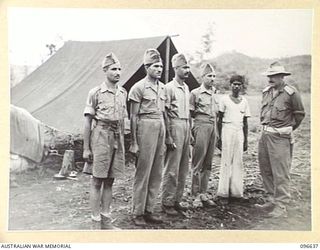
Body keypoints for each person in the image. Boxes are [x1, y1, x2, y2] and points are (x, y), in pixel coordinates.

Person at [83, 53, 127, 230]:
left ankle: (106, 221)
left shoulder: (123, 92)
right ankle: (95, 223)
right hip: (101, 136)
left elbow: (124, 119)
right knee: (97, 180)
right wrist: (86, 148)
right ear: (105, 70)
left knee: (110, 181)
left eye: (119, 69)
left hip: (118, 137)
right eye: (113, 69)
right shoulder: (95, 93)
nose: (117, 72)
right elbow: (87, 121)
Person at [256, 62, 305, 217]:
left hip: (280, 137)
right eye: (269, 76)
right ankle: (271, 198)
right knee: (266, 169)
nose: (270, 79)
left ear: (282, 77)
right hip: (265, 135)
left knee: (280, 172)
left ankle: (281, 205)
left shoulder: (291, 93)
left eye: (274, 76)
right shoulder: (266, 92)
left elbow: (299, 115)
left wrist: (287, 129)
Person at [128, 48, 165, 226]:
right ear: (146, 67)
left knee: (157, 172)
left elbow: (163, 113)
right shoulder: (138, 88)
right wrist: (134, 142)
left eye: (161, 66)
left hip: (160, 127)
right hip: (145, 127)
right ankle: (137, 212)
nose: (159, 69)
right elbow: (133, 116)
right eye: (155, 66)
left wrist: (166, 136)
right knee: (143, 171)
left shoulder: (162, 88)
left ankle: (149, 209)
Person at [161, 53, 191, 215]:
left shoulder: (186, 88)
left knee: (183, 167)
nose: (187, 70)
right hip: (175, 124)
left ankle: (177, 199)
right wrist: (168, 135)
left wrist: (190, 132)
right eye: (184, 67)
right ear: (175, 68)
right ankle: (167, 202)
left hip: (186, 124)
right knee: (172, 167)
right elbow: (164, 112)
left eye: (188, 67)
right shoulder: (169, 88)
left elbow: (189, 113)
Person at [216, 74, 250, 204]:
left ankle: (236, 192)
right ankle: (223, 193)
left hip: (239, 131)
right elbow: (219, 120)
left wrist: (246, 140)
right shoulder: (224, 100)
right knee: (226, 160)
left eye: (239, 84)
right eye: (234, 84)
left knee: (238, 160)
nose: (236, 86)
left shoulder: (244, 101)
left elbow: (245, 122)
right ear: (230, 85)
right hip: (227, 129)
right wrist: (219, 138)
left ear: (242, 86)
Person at [189, 63, 218, 208]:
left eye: (214, 76)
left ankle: (204, 193)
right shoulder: (195, 93)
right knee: (198, 162)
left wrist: (217, 132)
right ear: (202, 77)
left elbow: (217, 113)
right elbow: (190, 114)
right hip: (201, 125)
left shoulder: (215, 92)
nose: (212, 78)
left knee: (208, 162)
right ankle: (195, 195)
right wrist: (191, 132)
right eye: (209, 76)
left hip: (213, 126)